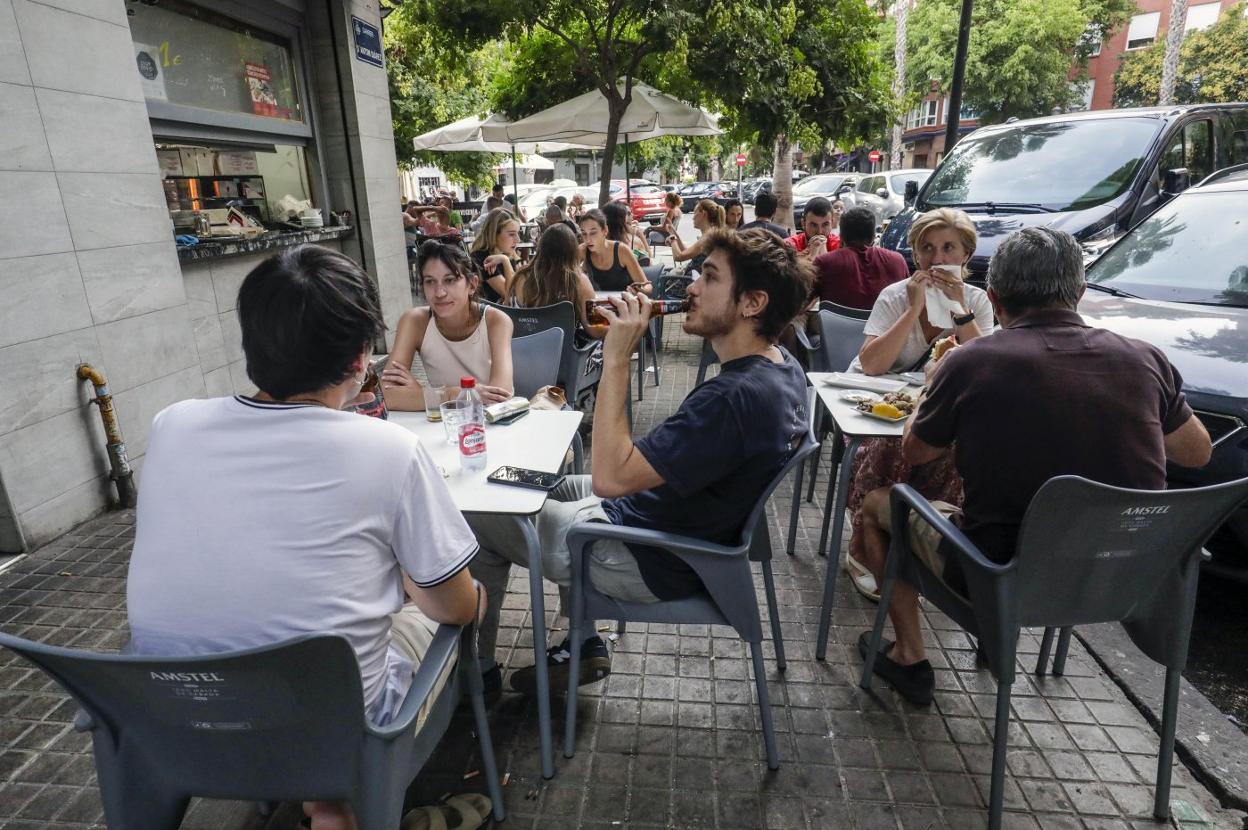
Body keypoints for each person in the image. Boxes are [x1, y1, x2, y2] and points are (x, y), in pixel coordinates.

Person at [126, 245, 483, 830]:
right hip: (332, 729)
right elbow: (454, 604)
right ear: (359, 357)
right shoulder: (390, 450)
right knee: (438, 614)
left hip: (172, 715)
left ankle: (327, 805)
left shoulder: (172, 424)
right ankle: (342, 799)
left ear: (252, 343)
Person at [856, 227, 1212, 706]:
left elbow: (916, 452)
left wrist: (933, 386)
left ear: (996, 300)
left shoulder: (973, 360)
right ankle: (985, 644)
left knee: (881, 504)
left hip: (997, 572)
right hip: (1125, 577)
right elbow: (1197, 453)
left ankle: (908, 653)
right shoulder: (1145, 359)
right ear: (1079, 293)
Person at [467, 228, 812, 695]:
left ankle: (477, 671)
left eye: (708, 277)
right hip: (661, 522)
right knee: (529, 482)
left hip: (643, 553)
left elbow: (611, 477)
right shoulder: (780, 365)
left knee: (475, 509)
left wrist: (615, 359)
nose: (690, 287)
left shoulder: (733, 399)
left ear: (752, 303)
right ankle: (581, 642)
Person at [840, 208, 993, 600]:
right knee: (890, 446)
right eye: (927, 248)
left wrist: (959, 309)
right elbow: (872, 366)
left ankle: (923, 542)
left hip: (934, 407)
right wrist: (913, 308)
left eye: (948, 248)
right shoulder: (895, 295)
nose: (937, 258)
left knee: (957, 450)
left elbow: (985, 369)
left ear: (966, 254)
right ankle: (863, 543)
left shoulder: (976, 300)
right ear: (914, 254)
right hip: (874, 404)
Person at [383, 240, 515, 408]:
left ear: (472, 284)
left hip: (493, 425)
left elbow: (498, 397)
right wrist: (451, 394)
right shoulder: (415, 321)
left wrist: (422, 394)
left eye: (450, 280)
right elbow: (386, 394)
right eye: (430, 281)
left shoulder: (496, 321)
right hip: (443, 425)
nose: (439, 293)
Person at [507, 223, 599, 334]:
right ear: (572, 251)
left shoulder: (520, 276)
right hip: (562, 350)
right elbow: (594, 328)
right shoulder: (579, 280)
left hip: (521, 347)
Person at [812, 206, 908, 309]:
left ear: (841, 236)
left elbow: (802, 304)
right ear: (873, 236)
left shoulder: (824, 263)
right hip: (888, 324)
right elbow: (908, 302)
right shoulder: (898, 261)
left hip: (835, 325)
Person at [579, 207, 651, 293]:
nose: (588, 239)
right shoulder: (582, 250)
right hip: (597, 304)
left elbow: (647, 286)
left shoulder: (621, 250)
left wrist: (640, 289)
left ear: (605, 230)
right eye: (584, 233)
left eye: (593, 233)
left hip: (625, 302)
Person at [469, 207, 522, 303]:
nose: (518, 239)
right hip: (485, 315)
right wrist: (505, 261)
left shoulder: (508, 254)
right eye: (511, 234)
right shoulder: (480, 257)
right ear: (494, 234)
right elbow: (510, 297)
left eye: (517, 233)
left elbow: (521, 294)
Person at [668, 198, 725, 273]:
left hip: (693, 280)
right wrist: (674, 234)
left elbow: (678, 257)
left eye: (695, 213)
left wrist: (672, 239)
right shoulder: (711, 233)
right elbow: (687, 252)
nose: (693, 217)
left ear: (703, 214)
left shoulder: (707, 238)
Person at [784, 197, 841, 262]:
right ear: (803, 224)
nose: (819, 232)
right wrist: (807, 257)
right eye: (813, 225)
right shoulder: (789, 246)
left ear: (832, 223)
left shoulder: (839, 245)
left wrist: (826, 257)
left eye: (825, 224)